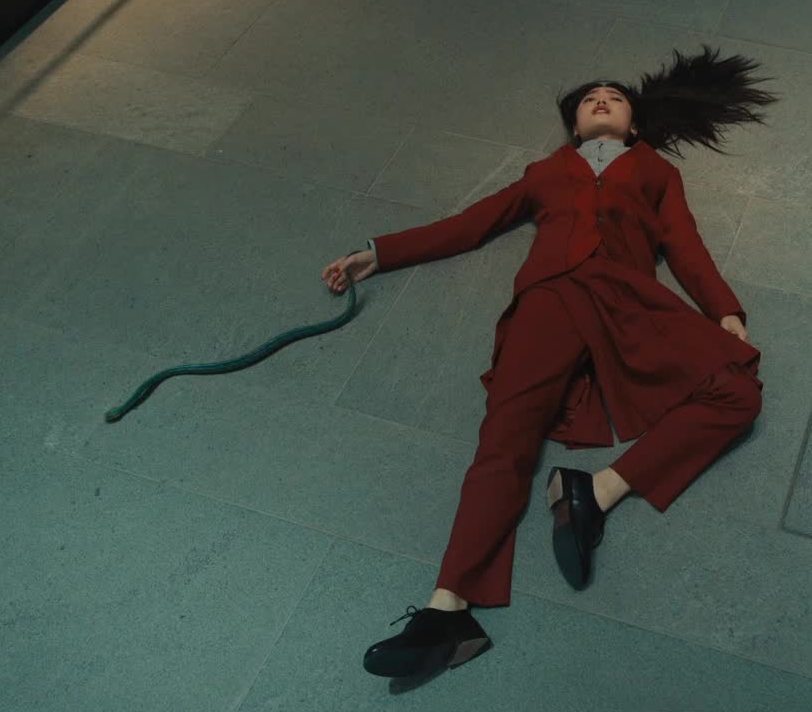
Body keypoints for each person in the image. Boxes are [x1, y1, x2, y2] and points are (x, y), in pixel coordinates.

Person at [322, 47, 777, 678]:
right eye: (590, 98)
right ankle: (447, 610)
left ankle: (598, 490)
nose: (601, 100)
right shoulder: (545, 171)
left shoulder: (656, 170)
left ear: (634, 125)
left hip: (630, 300)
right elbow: (473, 223)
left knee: (740, 394)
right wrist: (380, 252)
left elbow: (684, 242)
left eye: (614, 98)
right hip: (551, 298)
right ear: (574, 125)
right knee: (503, 439)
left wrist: (724, 309)